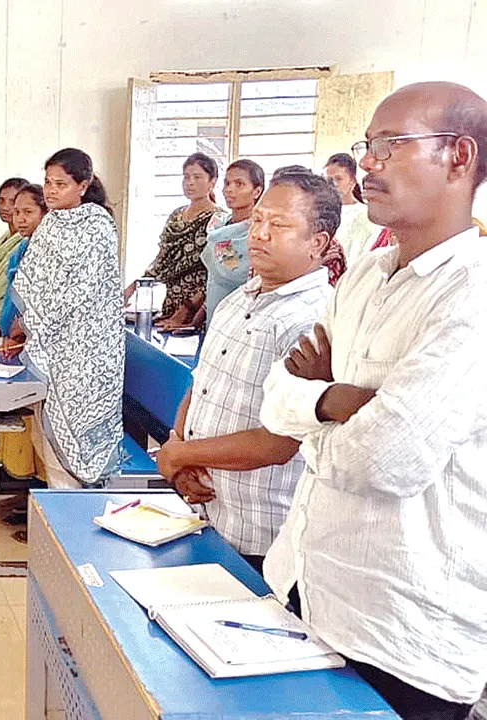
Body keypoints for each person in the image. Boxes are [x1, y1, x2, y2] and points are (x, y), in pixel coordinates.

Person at [260, 82, 487, 719]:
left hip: (403, 631)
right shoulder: (364, 275)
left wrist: (316, 413)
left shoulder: (472, 294)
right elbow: (275, 397)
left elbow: (387, 460)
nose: (368, 162)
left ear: (459, 156)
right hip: (307, 587)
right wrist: (339, 400)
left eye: (392, 145)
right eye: (368, 145)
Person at [155, 171, 339, 574]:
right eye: (257, 220)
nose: (259, 234)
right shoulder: (238, 299)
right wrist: (179, 451)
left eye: (279, 225)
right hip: (207, 514)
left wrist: (180, 454)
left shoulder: (313, 319)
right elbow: (201, 385)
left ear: (317, 243)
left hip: (263, 535)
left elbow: (279, 442)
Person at [11, 149, 124, 486]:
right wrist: (32, 324)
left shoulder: (98, 226)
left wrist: (44, 319)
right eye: (48, 182)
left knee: (81, 438)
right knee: (50, 438)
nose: (51, 190)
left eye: (61, 184)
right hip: (54, 347)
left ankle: (83, 508)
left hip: (90, 349)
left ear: (83, 186)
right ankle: (60, 503)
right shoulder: (50, 225)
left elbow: (84, 292)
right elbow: (36, 283)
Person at [133, 152, 220, 330]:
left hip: (199, 307)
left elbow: (216, 273)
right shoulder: (176, 215)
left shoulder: (218, 219)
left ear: (212, 182)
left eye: (197, 177)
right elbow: (162, 259)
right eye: (186, 177)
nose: (190, 182)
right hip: (171, 301)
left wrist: (188, 309)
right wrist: (134, 287)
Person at [0, 183, 47, 346]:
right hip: (13, 336)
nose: (20, 219)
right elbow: (13, 298)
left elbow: (43, 307)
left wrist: (22, 337)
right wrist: (1, 329)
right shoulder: (22, 248)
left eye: (28, 212)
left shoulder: (48, 251)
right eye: (17, 212)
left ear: (45, 213)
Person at [199, 159, 265, 324]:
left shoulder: (260, 232)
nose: (229, 189)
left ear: (256, 192)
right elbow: (213, 275)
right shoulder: (218, 224)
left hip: (244, 312)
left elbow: (247, 277)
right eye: (227, 183)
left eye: (239, 184)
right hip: (214, 306)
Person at [0, 177, 31, 323]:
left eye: (12, 201)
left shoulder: (27, 243)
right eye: (1, 200)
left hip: (14, 322)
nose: (5, 207)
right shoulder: (4, 240)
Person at [324, 152, 382, 262]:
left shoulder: (365, 215)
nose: (333, 184)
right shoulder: (320, 214)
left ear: (352, 182)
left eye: (338, 179)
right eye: (328, 180)